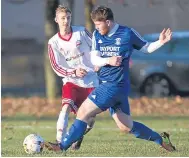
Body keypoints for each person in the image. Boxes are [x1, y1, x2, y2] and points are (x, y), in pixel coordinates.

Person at [45, 6, 176, 152]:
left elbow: (146, 48)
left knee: (83, 112)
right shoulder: (97, 35)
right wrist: (108, 60)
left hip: (111, 86)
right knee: (126, 126)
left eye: (98, 24)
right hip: (115, 87)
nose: (96, 28)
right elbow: (94, 58)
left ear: (108, 22)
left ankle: (61, 146)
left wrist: (161, 42)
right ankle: (160, 139)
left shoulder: (127, 33)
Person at [47, 5, 98, 150]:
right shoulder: (53, 42)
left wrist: (98, 62)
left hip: (91, 80)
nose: (66, 21)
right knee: (65, 108)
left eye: (68, 18)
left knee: (90, 119)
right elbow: (56, 66)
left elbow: (95, 45)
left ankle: (78, 136)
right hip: (72, 81)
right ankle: (59, 142)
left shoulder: (81, 32)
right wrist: (73, 72)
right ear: (56, 20)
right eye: (62, 18)